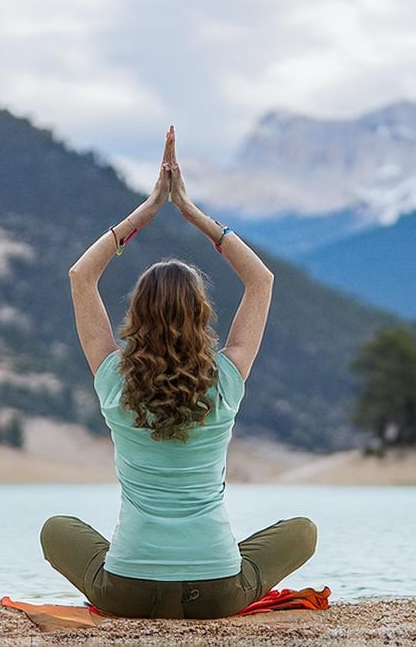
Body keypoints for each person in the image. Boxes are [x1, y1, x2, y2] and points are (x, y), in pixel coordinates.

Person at [41, 125, 318, 619]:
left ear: (137, 314)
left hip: (128, 591)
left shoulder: (114, 379)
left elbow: (81, 276)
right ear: (202, 314)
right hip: (216, 592)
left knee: (56, 528)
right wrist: (191, 212)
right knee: (303, 531)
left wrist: (147, 211)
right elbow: (262, 279)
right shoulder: (226, 380)